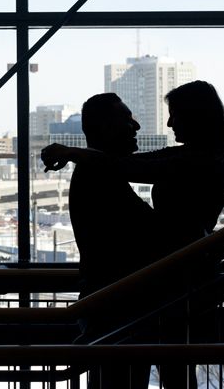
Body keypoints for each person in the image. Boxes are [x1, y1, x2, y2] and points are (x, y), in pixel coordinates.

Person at [42, 80, 224, 388]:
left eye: (174, 114)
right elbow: (133, 169)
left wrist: (71, 152)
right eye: (126, 120)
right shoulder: (201, 158)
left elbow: (132, 169)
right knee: (174, 374)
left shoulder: (192, 160)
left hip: (150, 293)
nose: (165, 122)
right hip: (160, 292)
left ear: (194, 117)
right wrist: (207, 241)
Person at [66, 93, 157, 389]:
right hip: (119, 308)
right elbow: (146, 234)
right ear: (106, 128)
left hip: (109, 305)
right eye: (126, 119)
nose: (136, 126)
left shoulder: (95, 174)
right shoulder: (100, 177)